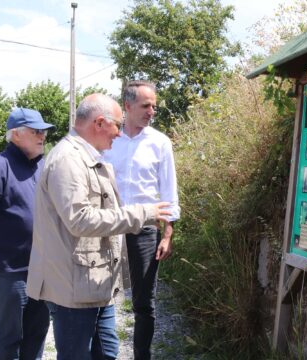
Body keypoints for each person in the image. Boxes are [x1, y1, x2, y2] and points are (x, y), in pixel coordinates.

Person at [26, 93, 171, 360]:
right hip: (73, 288)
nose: (119, 133)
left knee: (107, 353)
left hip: (94, 284)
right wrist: (141, 213)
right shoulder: (68, 160)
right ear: (100, 123)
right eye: (117, 124)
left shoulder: (89, 155)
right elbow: (80, 219)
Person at [0, 108, 54, 360]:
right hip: (10, 271)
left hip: (43, 269)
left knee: (37, 333)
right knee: (9, 337)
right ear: (16, 134)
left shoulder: (44, 167)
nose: (42, 136)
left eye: (44, 131)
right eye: (36, 131)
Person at [104, 80, 180, 360]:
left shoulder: (160, 142)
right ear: (127, 106)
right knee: (102, 295)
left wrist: (168, 234)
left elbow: (169, 190)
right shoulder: (108, 141)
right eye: (145, 105)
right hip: (109, 228)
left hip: (146, 230)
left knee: (144, 303)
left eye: (154, 106)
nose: (151, 112)